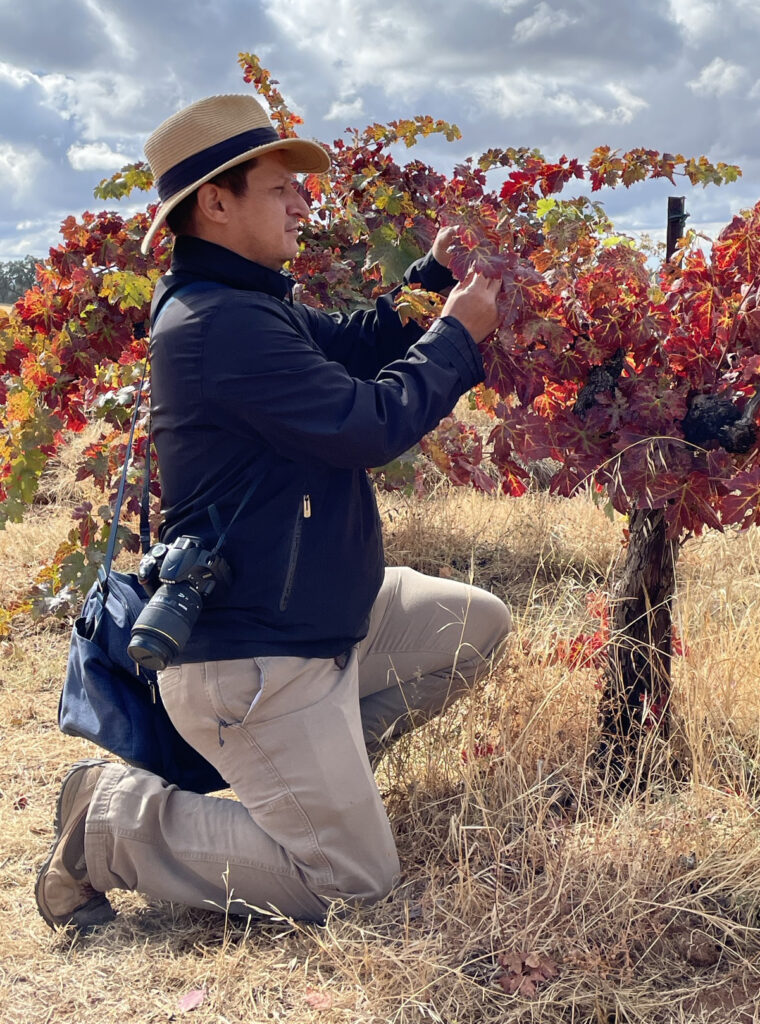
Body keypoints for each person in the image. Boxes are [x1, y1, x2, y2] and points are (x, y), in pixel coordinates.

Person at [35, 93, 511, 931]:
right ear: (216, 202)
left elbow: (361, 343)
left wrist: (430, 283)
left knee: (479, 625)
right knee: (353, 884)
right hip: (258, 655)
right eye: (282, 187)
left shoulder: (253, 304)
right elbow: (369, 424)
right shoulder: (216, 327)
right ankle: (109, 822)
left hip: (329, 620)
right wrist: (456, 338)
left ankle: (314, 786)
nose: (304, 201)